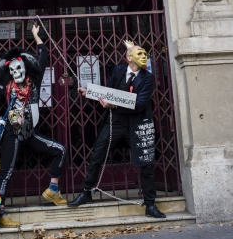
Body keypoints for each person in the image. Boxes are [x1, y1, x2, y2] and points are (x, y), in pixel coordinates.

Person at [0, 24, 67, 228]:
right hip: (12, 136)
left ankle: (53, 191)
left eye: (19, 68)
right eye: (12, 70)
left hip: (29, 134)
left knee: (60, 150)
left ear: (25, 68)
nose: (16, 73)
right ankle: (0, 214)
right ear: (9, 72)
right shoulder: (6, 90)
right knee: (6, 172)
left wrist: (36, 36)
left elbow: (43, 57)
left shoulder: (34, 83)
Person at [68, 41, 166, 219]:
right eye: (139, 53)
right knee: (97, 155)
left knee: (145, 163)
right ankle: (87, 192)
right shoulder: (119, 71)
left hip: (136, 124)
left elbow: (140, 102)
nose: (144, 56)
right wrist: (90, 92)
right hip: (115, 122)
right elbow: (109, 92)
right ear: (129, 58)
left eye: (145, 53)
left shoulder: (148, 77)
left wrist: (113, 102)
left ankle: (150, 204)